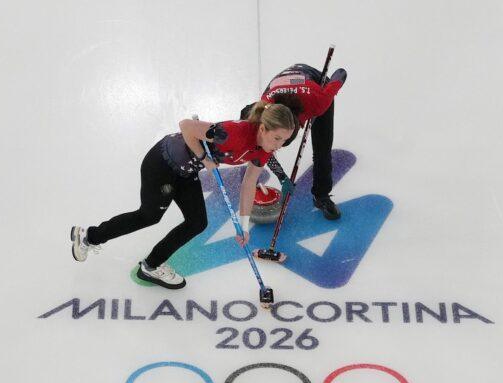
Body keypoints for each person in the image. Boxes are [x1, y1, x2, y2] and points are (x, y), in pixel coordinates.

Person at [70, 102, 295, 289]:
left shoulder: (264, 150)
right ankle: (90, 236)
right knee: (148, 216)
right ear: (263, 129)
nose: (280, 145)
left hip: (186, 172)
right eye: (277, 138)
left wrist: (244, 226)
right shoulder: (233, 133)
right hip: (162, 162)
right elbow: (186, 126)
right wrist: (204, 158)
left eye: (285, 140)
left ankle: (151, 266)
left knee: (197, 222)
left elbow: (249, 184)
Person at [241, 64, 347, 220]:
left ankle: (322, 196)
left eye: (282, 140)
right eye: (277, 139)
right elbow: (264, 147)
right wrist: (282, 176)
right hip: (282, 86)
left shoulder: (319, 102)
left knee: (322, 147)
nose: (276, 147)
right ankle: (251, 176)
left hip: (316, 85)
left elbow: (341, 72)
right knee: (256, 138)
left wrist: (331, 85)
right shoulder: (264, 110)